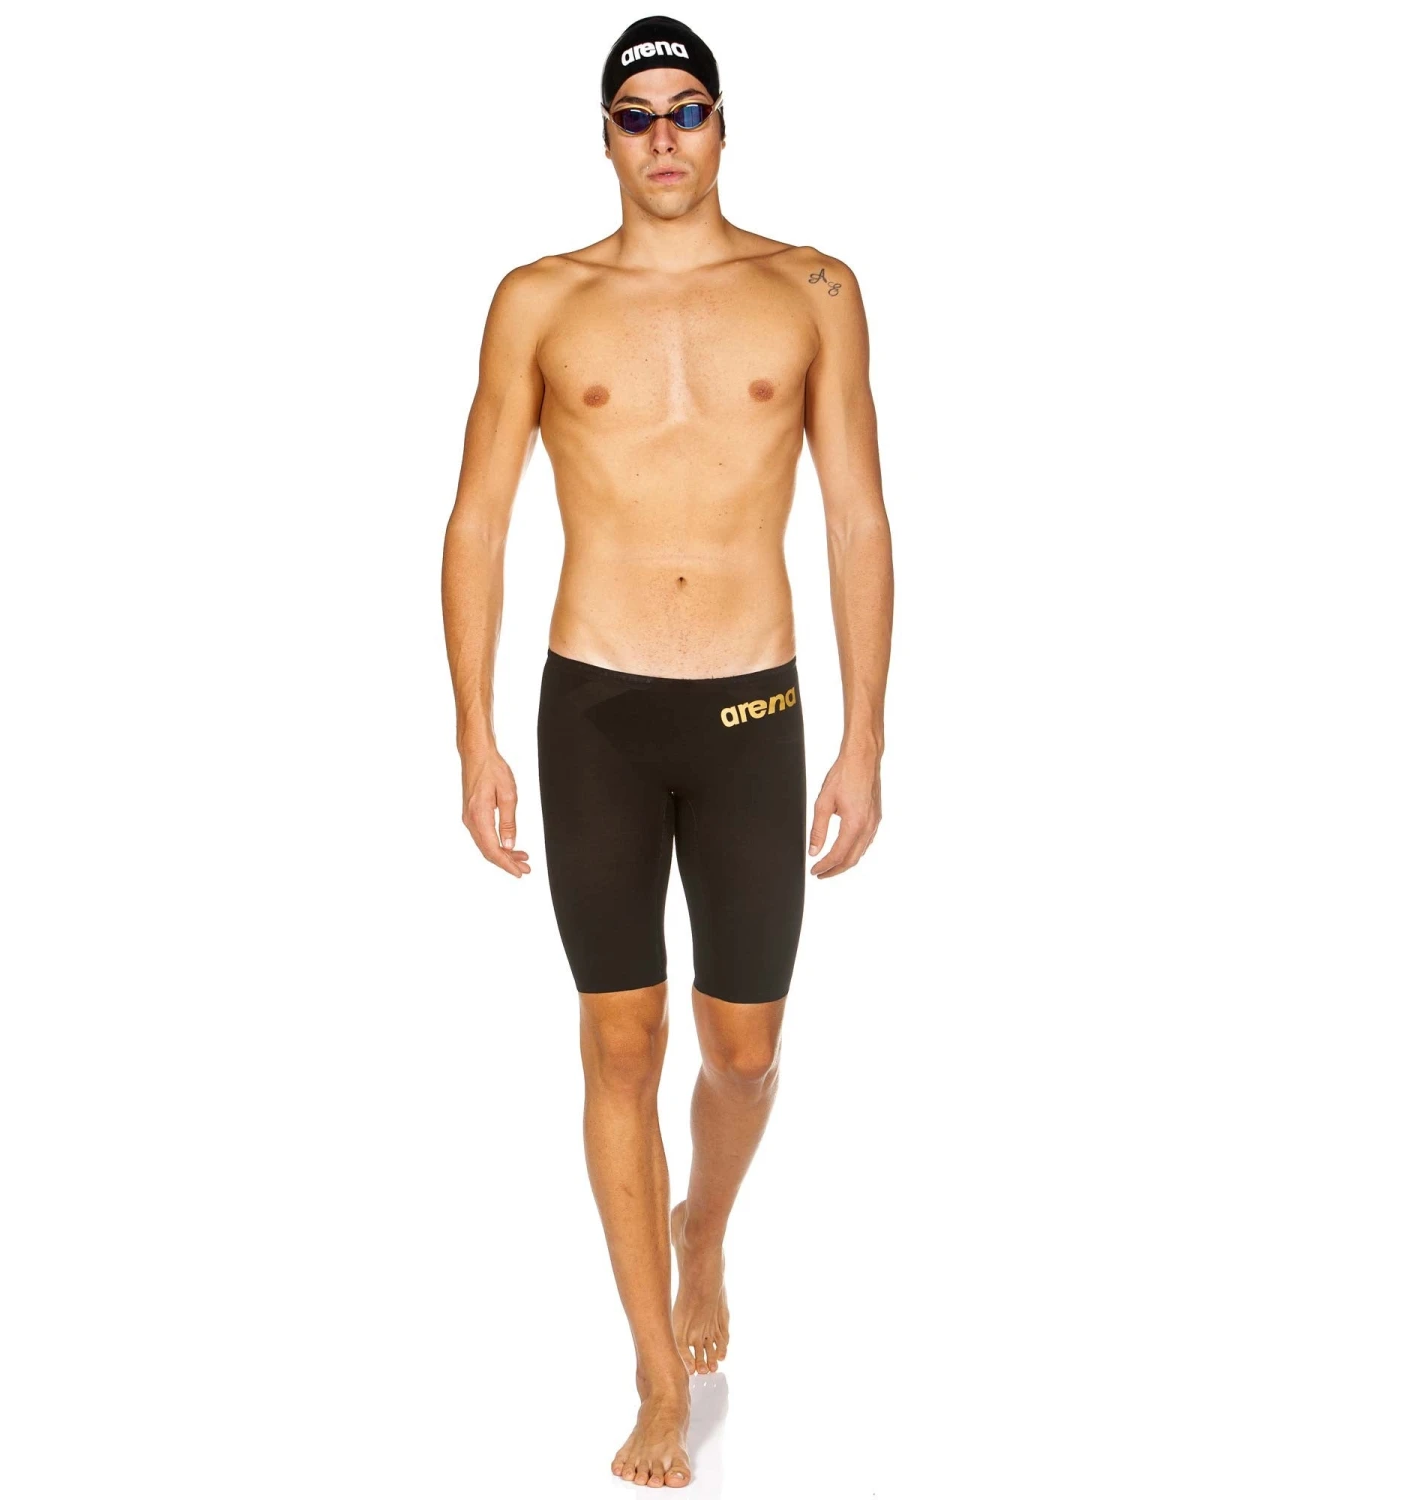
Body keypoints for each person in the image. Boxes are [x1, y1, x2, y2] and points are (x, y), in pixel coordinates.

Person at [441, 14, 893, 1488]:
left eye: (685, 108)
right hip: (598, 711)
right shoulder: (539, 299)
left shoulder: (812, 289)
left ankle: (707, 1225)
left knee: (744, 1054)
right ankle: (652, 1376)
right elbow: (479, 519)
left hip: (756, 705)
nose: (662, 136)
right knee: (619, 1040)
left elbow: (856, 516)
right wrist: (473, 729)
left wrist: (867, 733)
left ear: (722, 124)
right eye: (635, 114)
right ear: (604, 136)